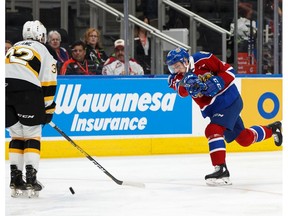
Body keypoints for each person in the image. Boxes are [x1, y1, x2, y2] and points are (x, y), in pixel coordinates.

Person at [165, 47, 282, 186]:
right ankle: (273, 129)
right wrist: (188, 83)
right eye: (172, 68)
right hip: (214, 109)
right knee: (244, 139)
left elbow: (229, 71)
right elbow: (181, 91)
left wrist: (218, 81)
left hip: (229, 100)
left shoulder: (203, 59)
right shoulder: (174, 78)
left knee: (213, 130)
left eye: (177, 66)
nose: (176, 70)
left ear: (185, 61)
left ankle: (221, 170)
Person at [5, 20, 57, 197]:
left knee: (17, 135)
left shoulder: (13, 48)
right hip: (26, 91)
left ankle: (15, 178)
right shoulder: (44, 50)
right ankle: (31, 178)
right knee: (32, 134)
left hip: (4, 91)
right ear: (41, 35)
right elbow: (48, 81)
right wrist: (48, 109)